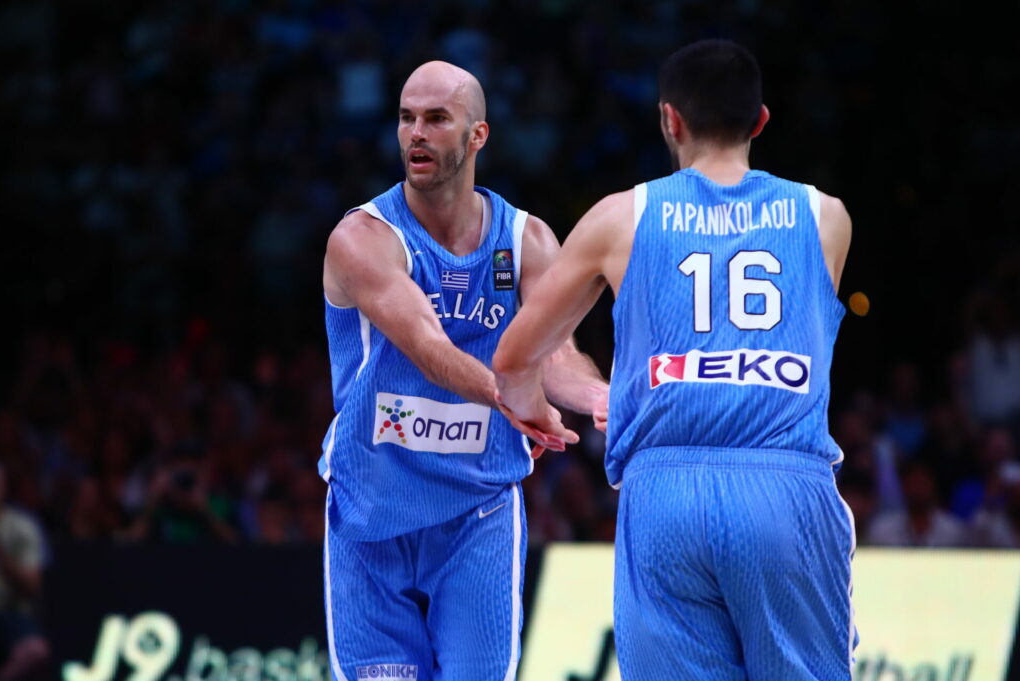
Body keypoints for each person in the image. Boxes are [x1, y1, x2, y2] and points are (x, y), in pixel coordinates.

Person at [493, 40, 856, 681]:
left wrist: (533, 412)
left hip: (665, 495)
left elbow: (516, 358)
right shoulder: (826, 216)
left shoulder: (619, 218)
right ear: (760, 121)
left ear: (669, 119)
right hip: (785, 488)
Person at [317, 61, 607, 680]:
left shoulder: (526, 240)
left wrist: (598, 396)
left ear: (478, 135)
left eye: (436, 118)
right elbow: (427, 345)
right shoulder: (363, 237)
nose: (416, 133)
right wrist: (513, 398)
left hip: (478, 513)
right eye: (406, 118)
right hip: (372, 511)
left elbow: (556, 353)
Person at [0, 462, 51, 681]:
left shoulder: (22, 527)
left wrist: (2, 559)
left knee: (35, 651)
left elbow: (33, 586)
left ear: (4, 487)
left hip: (7, 611)